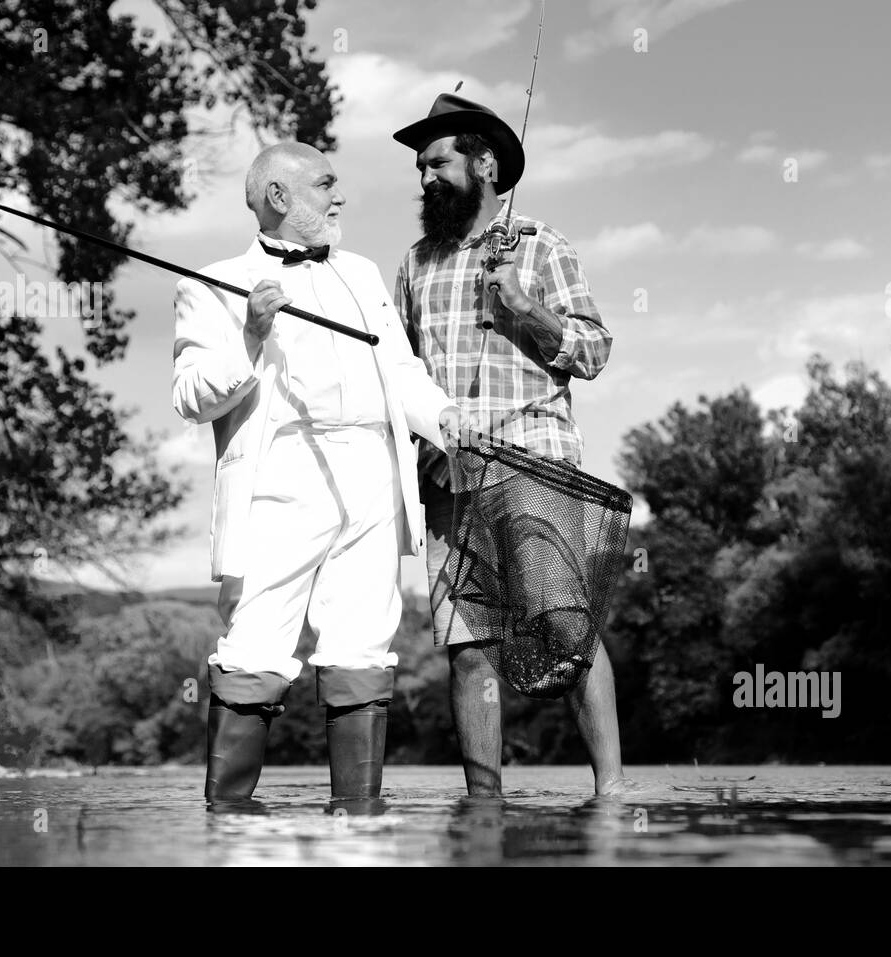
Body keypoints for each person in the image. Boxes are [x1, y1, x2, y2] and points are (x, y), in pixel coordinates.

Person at [171, 142, 459, 805]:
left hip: (373, 474)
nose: (341, 195)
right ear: (280, 196)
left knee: (364, 643)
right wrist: (249, 333)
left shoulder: (362, 274)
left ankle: (359, 824)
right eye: (327, 183)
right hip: (280, 477)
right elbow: (191, 397)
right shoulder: (211, 284)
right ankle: (231, 824)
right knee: (254, 642)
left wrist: (448, 420)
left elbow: (402, 373)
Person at [392, 94, 638, 796]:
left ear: (486, 163)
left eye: (439, 162)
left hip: (535, 462)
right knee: (468, 651)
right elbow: (405, 374)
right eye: (419, 168)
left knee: (567, 631)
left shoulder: (543, 245)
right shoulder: (413, 264)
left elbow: (593, 351)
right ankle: (484, 809)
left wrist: (526, 310)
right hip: (449, 474)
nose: (425, 179)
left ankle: (613, 797)